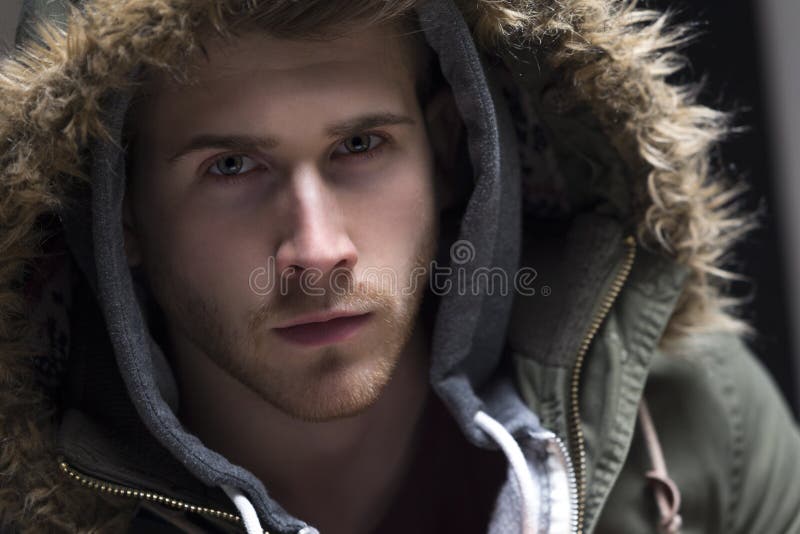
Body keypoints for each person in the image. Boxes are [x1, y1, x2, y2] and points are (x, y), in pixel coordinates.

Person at [1, 0, 799, 533]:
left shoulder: (697, 421)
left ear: (450, 152)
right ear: (122, 215)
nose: (317, 252)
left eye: (359, 146)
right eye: (232, 167)